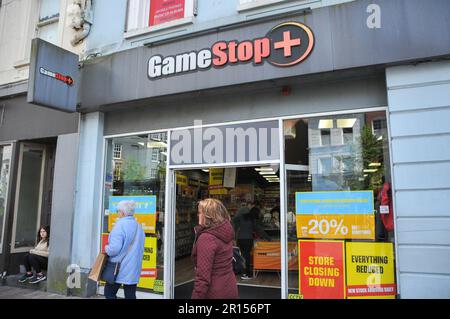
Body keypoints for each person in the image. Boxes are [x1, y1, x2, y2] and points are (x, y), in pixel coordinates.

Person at [191, 198, 238, 299]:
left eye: (200, 213)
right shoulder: (225, 232)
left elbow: (203, 278)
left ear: (208, 216)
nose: (198, 215)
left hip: (214, 292)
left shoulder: (207, 238)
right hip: (230, 287)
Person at [104, 200, 145, 299]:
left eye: (117, 211)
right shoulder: (138, 226)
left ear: (122, 213)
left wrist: (106, 249)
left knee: (109, 293)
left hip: (118, 267)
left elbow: (114, 249)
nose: (117, 213)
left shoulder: (119, 226)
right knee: (130, 295)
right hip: (133, 267)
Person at [233, 200, 271, 280]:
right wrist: (268, 238)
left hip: (240, 239)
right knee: (246, 257)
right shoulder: (252, 219)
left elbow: (235, 223)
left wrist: (233, 237)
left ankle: (243, 272)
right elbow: (259, 230)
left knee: (242, 256)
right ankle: (246, 274)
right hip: (247, 239)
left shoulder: (241, 217)